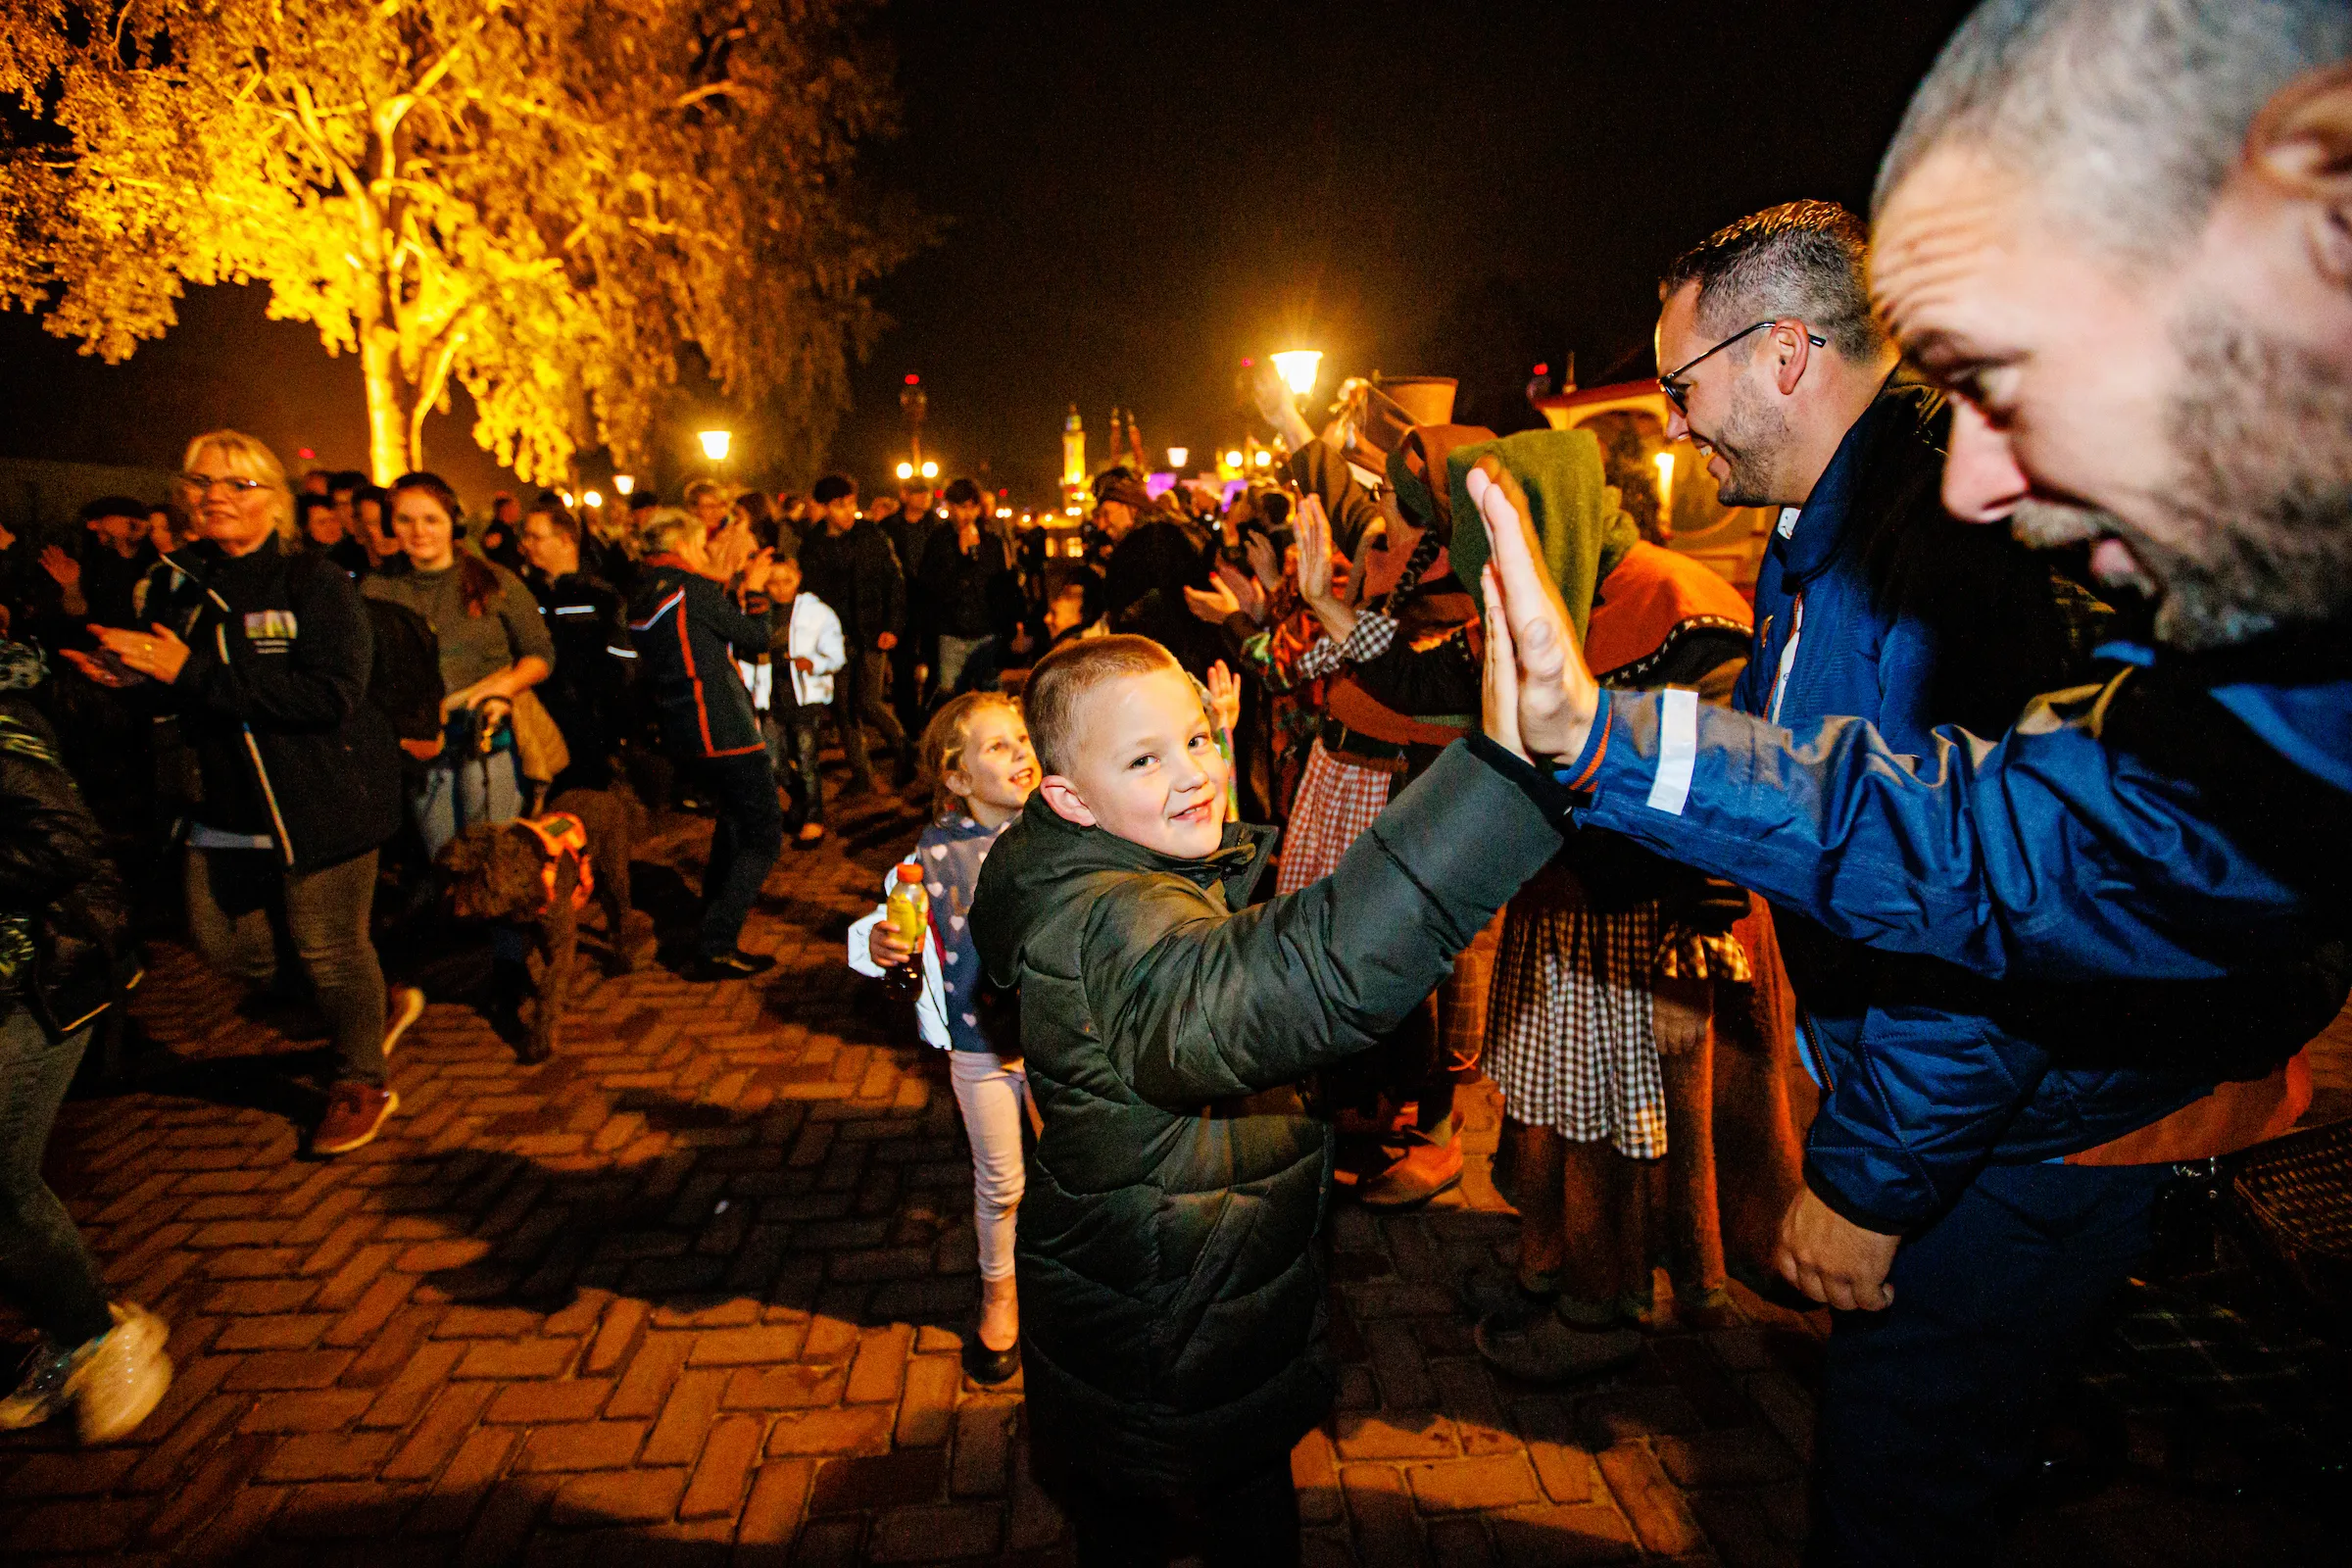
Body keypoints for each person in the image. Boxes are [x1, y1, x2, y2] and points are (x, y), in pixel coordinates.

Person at [967, 628, 1582, 1567]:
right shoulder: (1117, 924)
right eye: (1144, 759)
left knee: (1194, 1501)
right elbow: (1311, 973)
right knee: (1187, 1519)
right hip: (1164, 1325)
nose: (1193, 774)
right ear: (1070, 798)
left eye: (1196, 740)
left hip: (1188, 1296)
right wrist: (1499, 782)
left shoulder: (1093, 859)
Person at [70, 431, 421, 1157]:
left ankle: (360, 1079)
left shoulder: (310, 581)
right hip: (221, 798)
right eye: (201, 483)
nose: (216, 497)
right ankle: (364, 1004)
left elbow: (332, 695)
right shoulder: (173, 583)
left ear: (274, 501)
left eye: (238, 484)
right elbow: (176, 691)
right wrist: (131, 681)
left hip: (322, 796)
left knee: (329, 944)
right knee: (226, 945)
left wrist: (189, 672)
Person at [0, 643, 172, 1445]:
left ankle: (94, 1336)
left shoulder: (6, 722)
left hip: (36, 980)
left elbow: (63, 842)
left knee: (1, 1185)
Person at [849, 693, 1039, 1385]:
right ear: (957, 778)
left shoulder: (1067, 827)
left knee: (1078, 1168)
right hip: (980, 1047)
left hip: (1065, 1042)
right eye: (998, 746)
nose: (1021, 753)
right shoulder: (930, 858)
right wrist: (880, 945)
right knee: (1002, 1183)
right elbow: (881, 931)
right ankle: (1000, 1295)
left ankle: (1077, 1279)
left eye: (1023, 738)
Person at [362, 473, 555, 859]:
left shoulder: (494, 580)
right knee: (444, 859)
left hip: (487, 741)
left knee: (492, 857)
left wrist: (503, 689)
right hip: (422, 749)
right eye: (405, 520)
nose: (419, 531)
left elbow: (540, 653)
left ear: (454, 522)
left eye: (431, 519)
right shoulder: (376, 589)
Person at [627, 508, 784, 979]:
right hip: (723, 727)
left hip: (683, 727)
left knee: (733, 825)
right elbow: (757, 637)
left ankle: (710, 923)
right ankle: (716, 943)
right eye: (701, 544)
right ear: (683, 545)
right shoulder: (689, 589)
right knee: (763, 836)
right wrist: (756, 590)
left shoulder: (643, 591)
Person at [796, 474, 907, 794]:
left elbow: (894, 583)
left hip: (871, 631)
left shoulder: (871, 535)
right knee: (843, 708)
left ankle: (904, 750)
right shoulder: (813, 545)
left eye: (851, 504)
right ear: (824, 507)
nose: (848, 511)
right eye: (839, 505)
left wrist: (892, 626)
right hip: (834, 638)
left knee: (870, 701)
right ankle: (861, 774)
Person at [516, 500, 630, 795]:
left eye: (535, 537)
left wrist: (610, 718)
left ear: (566, 540)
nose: (526, 544)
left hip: (589, 726)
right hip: (540, 722)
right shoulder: (524, 595)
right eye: (525, 536)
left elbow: (624, 662)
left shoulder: (599, 594)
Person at [752, 554, 842, 847]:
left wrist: (813, 663)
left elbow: (836, 655)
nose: (780, 588)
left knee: (806, 761)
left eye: (786, 580)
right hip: (770, 698)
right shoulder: (759, 613)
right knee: (773, 761)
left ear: (798, 578)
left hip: (805, 698)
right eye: (773, 581)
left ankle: (814, 818)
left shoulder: (818, 613)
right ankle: (802, 801)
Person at [919, 477, 1015, 698]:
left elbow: (1002, 586)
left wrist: (1008, 626)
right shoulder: (939, 542)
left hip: (986, 631)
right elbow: (933, 588)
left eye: (973, 507)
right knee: (950, 697)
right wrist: (962, 558)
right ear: (951, 508)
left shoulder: (991, 542)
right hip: (951, 633)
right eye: (962, 507)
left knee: (991, 697)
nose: (968, 514)